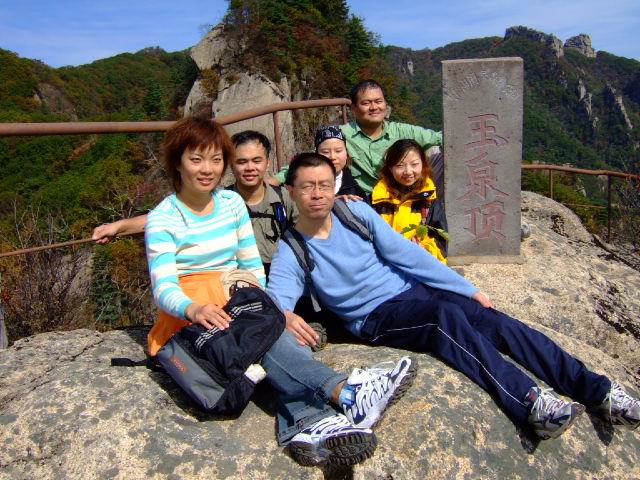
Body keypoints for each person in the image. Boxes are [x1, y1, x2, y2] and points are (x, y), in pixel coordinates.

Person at [266, 153, 640, 440]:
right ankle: (529, 402)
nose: (318, 194)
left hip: (413, 292)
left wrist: (467, 289)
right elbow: (276, 298)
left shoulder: (354, 212)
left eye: (325, 184)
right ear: (292, 191)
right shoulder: (292, 249)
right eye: (307, 187)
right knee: (442, 318)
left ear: (335, 185)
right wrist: (285, 314)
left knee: (496, 321)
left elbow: (406, 255)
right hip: (375, 318)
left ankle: (599, 391)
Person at [139, 117, 419, 466]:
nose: (207, 169)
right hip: (193, 318)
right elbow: (164, 287)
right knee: (267, 342)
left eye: (215, 159)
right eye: (196, 160)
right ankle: (346, 393)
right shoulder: (163, 218)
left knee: (273, 334)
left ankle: (307, 426)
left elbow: (251, 266)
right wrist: (194, 309)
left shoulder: (230, 203)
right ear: (177, 163)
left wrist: (268, 310)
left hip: (236, 301)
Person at [273, 79, 443, 194]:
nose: (374, 107)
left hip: (404, 197)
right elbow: (311, 159)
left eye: (378, 101)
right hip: (364, 201)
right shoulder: (343, 135)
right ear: (353, 108)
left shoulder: (402, 131)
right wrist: (275, 179)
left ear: (385, 104)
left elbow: (441, 137)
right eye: (366, 103)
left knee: (438, 153)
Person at [371, 139, 447, 263]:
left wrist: (426, 250)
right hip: (384, 266)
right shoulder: (376, 200)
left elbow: (441, 241)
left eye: (414, 164)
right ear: (390, 168)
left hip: (420, 265)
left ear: (423, 164)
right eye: (400, 166)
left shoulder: (429, 200)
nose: (408, 171)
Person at [314, 125, 366, 199]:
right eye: (325, 152)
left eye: (338, 151)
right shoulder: (306, 181)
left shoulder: (355, 186)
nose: (333, 157)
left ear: (346, 153)